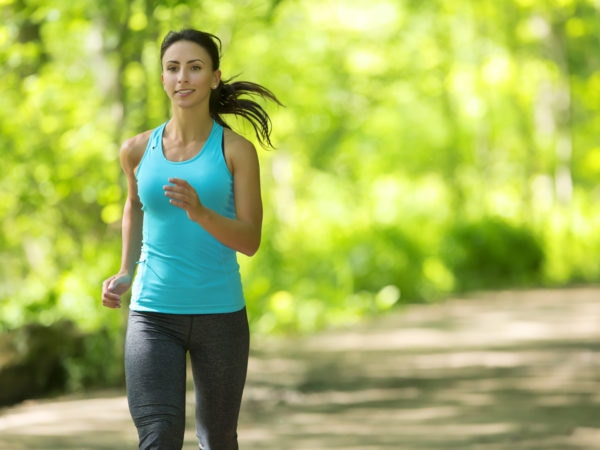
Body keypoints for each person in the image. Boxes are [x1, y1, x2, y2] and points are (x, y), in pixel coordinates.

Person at [101, 29, 281, 450]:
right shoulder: (136, 150)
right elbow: (135, 205)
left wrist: (201, 212)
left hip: (220, 316)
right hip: (152, 315)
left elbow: (250, 240)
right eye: (173, 68)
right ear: (163, 78)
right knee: (158, 436)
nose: (183, 77)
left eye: (195, 67)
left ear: (214, 77)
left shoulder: (236, 151)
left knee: (217, 440)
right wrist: (125, 270)